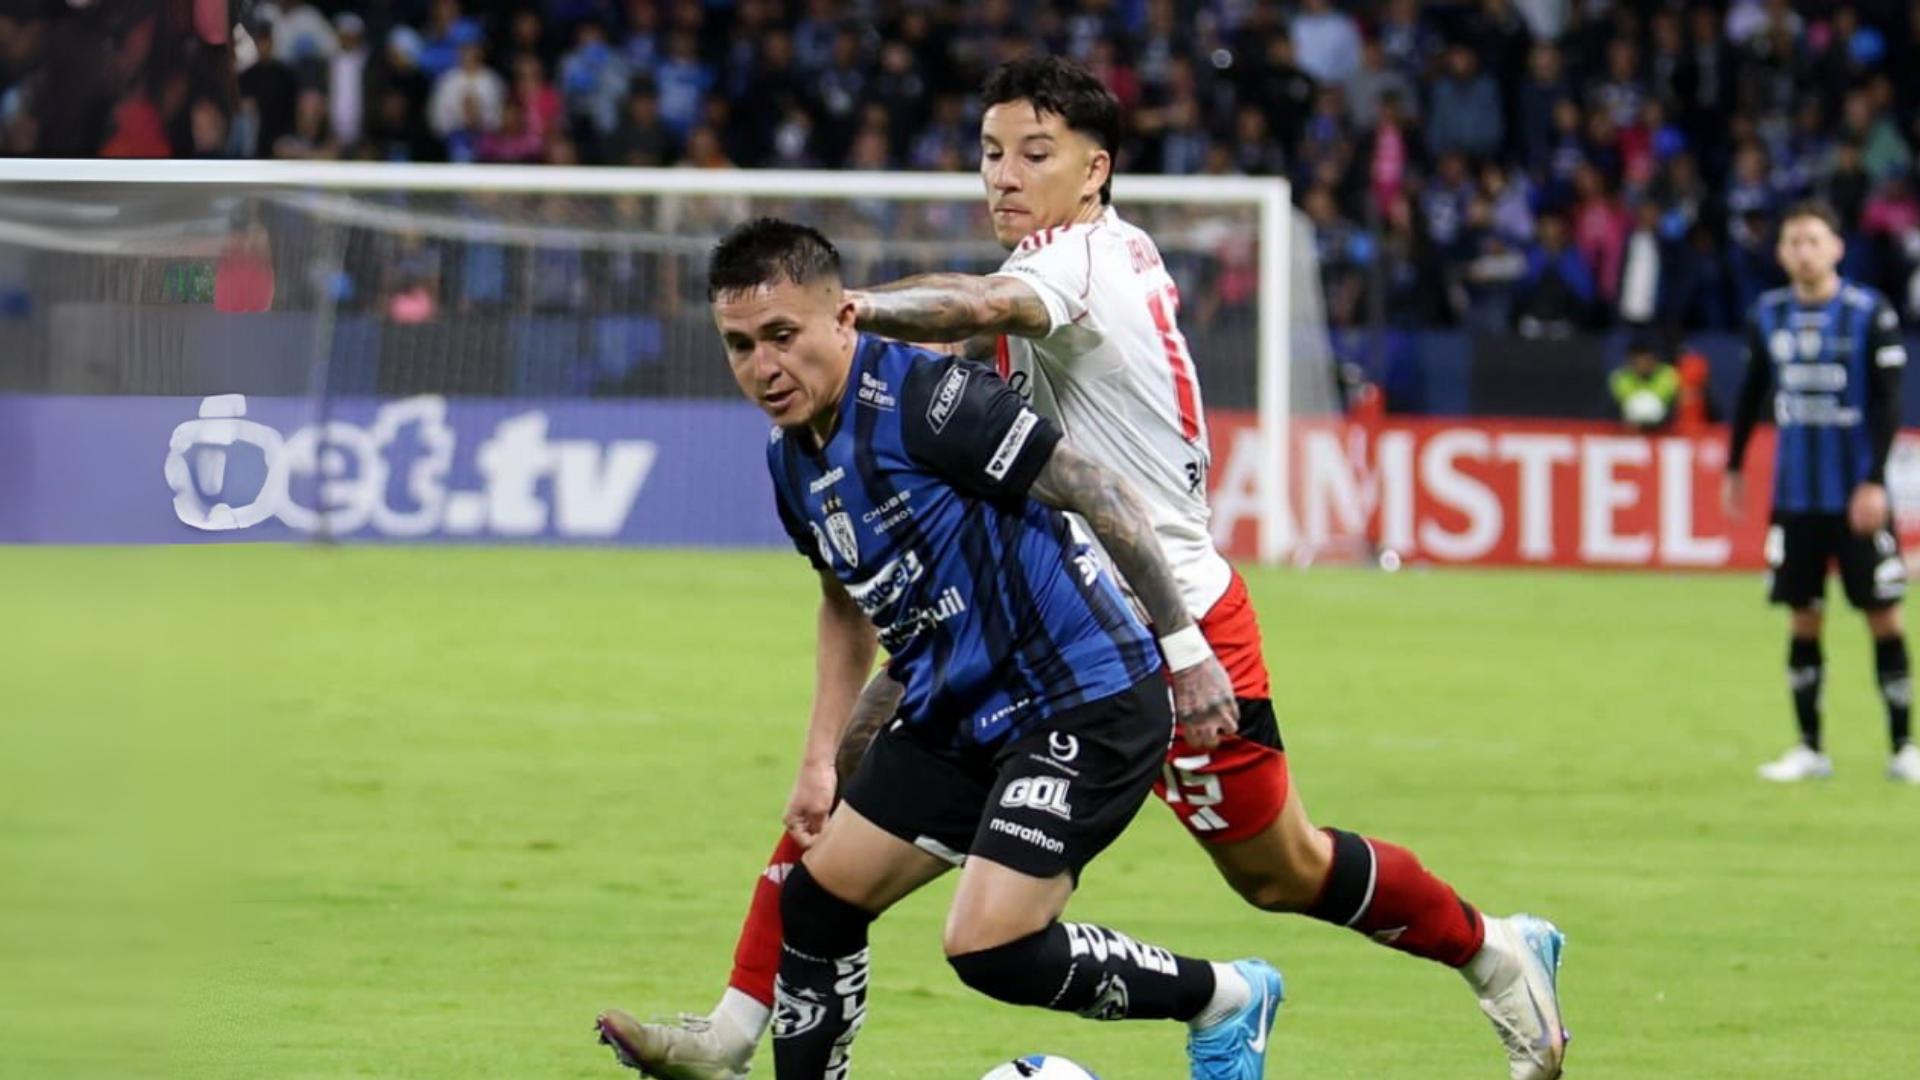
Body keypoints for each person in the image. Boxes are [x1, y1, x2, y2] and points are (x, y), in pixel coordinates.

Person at [602, 57, 1569, 1080]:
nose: (1003, 175)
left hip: (1167, 617)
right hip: (1046, 616)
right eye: (990, 153)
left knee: (1281, 871)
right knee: (842, 803)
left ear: (1095, 170)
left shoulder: (1082, 261)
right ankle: (735, 1029)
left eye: (1035, 153)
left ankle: (1492, 952)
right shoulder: (1054, 274)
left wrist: (847, 312)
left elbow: (982, 307)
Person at [602, 217, 1283, 1079]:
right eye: (740, 345)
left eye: (782, 335)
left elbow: (1097, 489)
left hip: (1084, 695)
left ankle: (1226, 997)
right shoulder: (789, 459)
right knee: (815, 904)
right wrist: (820, 760)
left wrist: (1186, 651)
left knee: (989, 945)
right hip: (958, 709)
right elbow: (844, 600)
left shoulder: (929, 401)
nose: (763, 367)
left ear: (843, 317)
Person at [1723, 200, 1919, 784]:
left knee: (1884, 616)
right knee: (1803, 618)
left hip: (1856, 498)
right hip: (1796, 499)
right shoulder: (1769, 313)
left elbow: (1889, 403)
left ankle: (1904, 746)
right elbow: (1750, 392)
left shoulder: (1869, 312)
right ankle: (1810, 748)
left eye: (1813, 240)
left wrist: (1874, 480)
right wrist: (1734, 464)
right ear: (1781, 253)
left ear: (1836, 248)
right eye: (1793, 242)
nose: (1803, 252)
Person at [1610, 339, 1679, 431]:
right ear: (1631, 361)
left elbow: (1662, 402)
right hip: (1630, 428)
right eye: (1638, 360)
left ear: (1655, 359)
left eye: (1647, 359)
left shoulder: (1669, 375)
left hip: (1665, 426)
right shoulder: (1620, 377)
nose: (1643, 363)